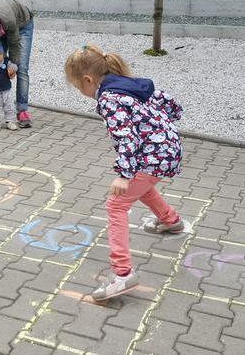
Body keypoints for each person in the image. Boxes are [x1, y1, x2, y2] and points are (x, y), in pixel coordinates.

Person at [64, 44, 185, 301]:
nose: (80, 92)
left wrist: (124, 173)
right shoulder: (131, 83)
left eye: (78, 87)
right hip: (167, 148)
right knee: (142, 188)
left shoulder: (109, 98)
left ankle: (123, 274)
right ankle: (171, 221)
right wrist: (160, 127)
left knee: (117, 204)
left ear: (88, 80)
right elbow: (171, 105)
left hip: (153, 156)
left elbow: (127, 138)